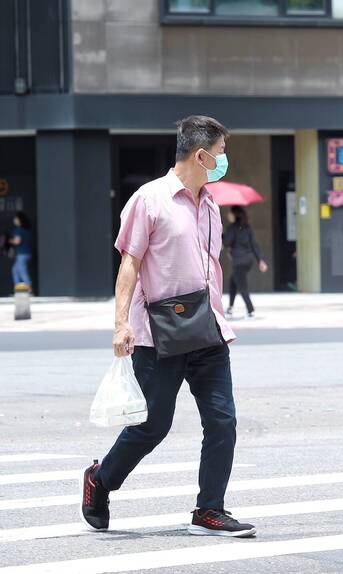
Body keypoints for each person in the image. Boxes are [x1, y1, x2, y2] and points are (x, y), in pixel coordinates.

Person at [80, 115, 256, 537]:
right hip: (160, 331)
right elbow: (130, 263)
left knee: (222, 421)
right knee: (152, 425)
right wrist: (121, 322)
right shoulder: (150, 199)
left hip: (209, 330)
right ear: (200, 155)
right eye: (220, 153)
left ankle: (209, 510)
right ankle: (100, 480)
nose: (223, 160)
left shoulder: (211, 204)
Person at [223, 205, 267, 320]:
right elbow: (254, 245)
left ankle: (250, 310)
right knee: (233, 281)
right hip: (248, 260)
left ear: (234, 215)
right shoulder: (248, 227)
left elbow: (227, 243)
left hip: (239, 261)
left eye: (230, 213)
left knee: (242, 286)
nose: (228, 215)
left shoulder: (232, 228)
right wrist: (260, 260)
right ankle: (230, 308)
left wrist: (222, 234)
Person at [9, 211, 33, 288]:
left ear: (19, 219)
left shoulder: (19, 230)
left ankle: (28, 288)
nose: (14, 220)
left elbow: (17, 242)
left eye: (15, 218)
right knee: (15, 270)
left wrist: (10, 240)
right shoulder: (27, 230)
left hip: (22, 254)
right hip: (27, 253)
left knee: (22, 271)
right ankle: (18, 288)